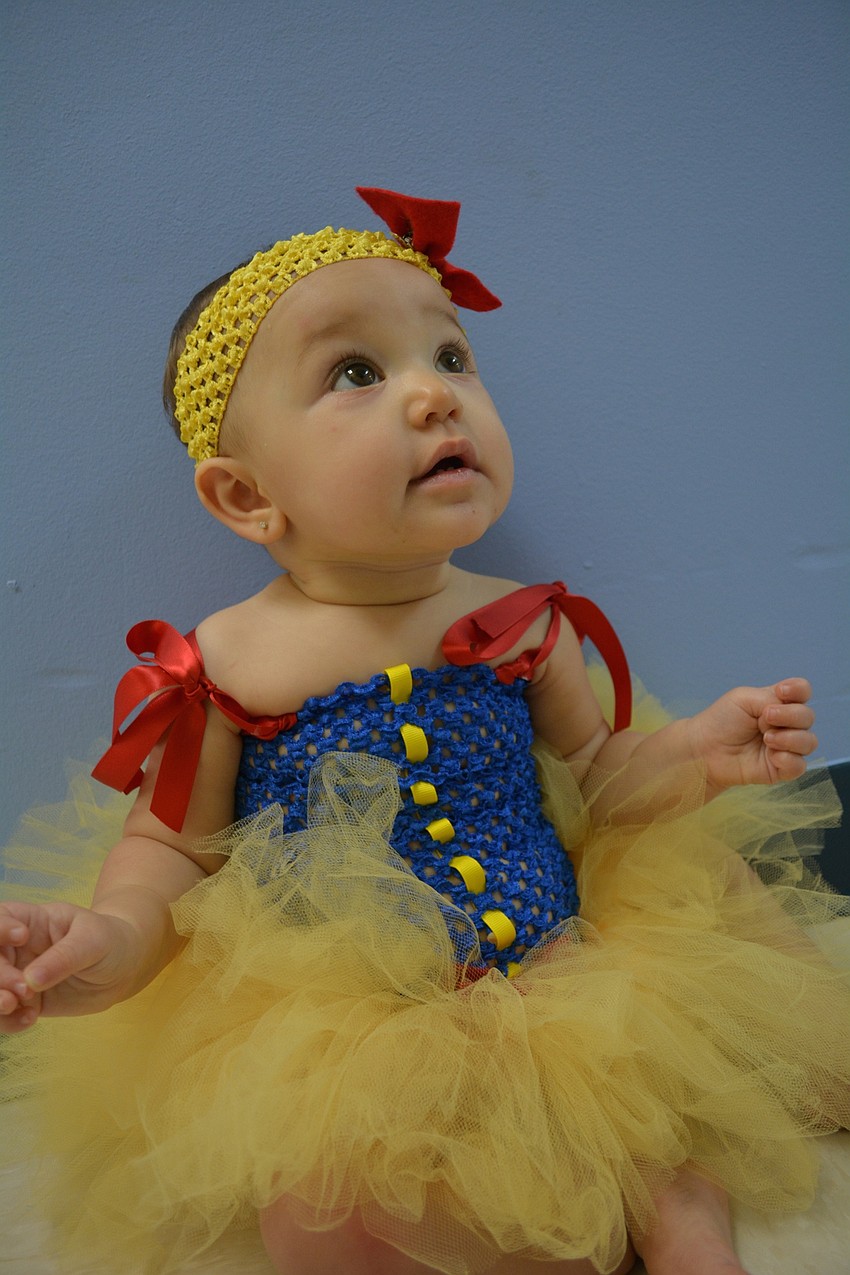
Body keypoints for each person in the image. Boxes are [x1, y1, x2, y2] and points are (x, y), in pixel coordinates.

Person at [0, 187, 847, 1275]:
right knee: (327, 1220)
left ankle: (680, 1215)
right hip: (357, 1022)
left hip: (560, 960)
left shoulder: (520, 621)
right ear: (246, 497)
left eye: (449, 358)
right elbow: (166, 848)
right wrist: (109, 948)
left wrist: (688, 758)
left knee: (652, 1086)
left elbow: (596, 778)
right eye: (356, 373)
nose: (432, 399)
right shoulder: (217, 665)